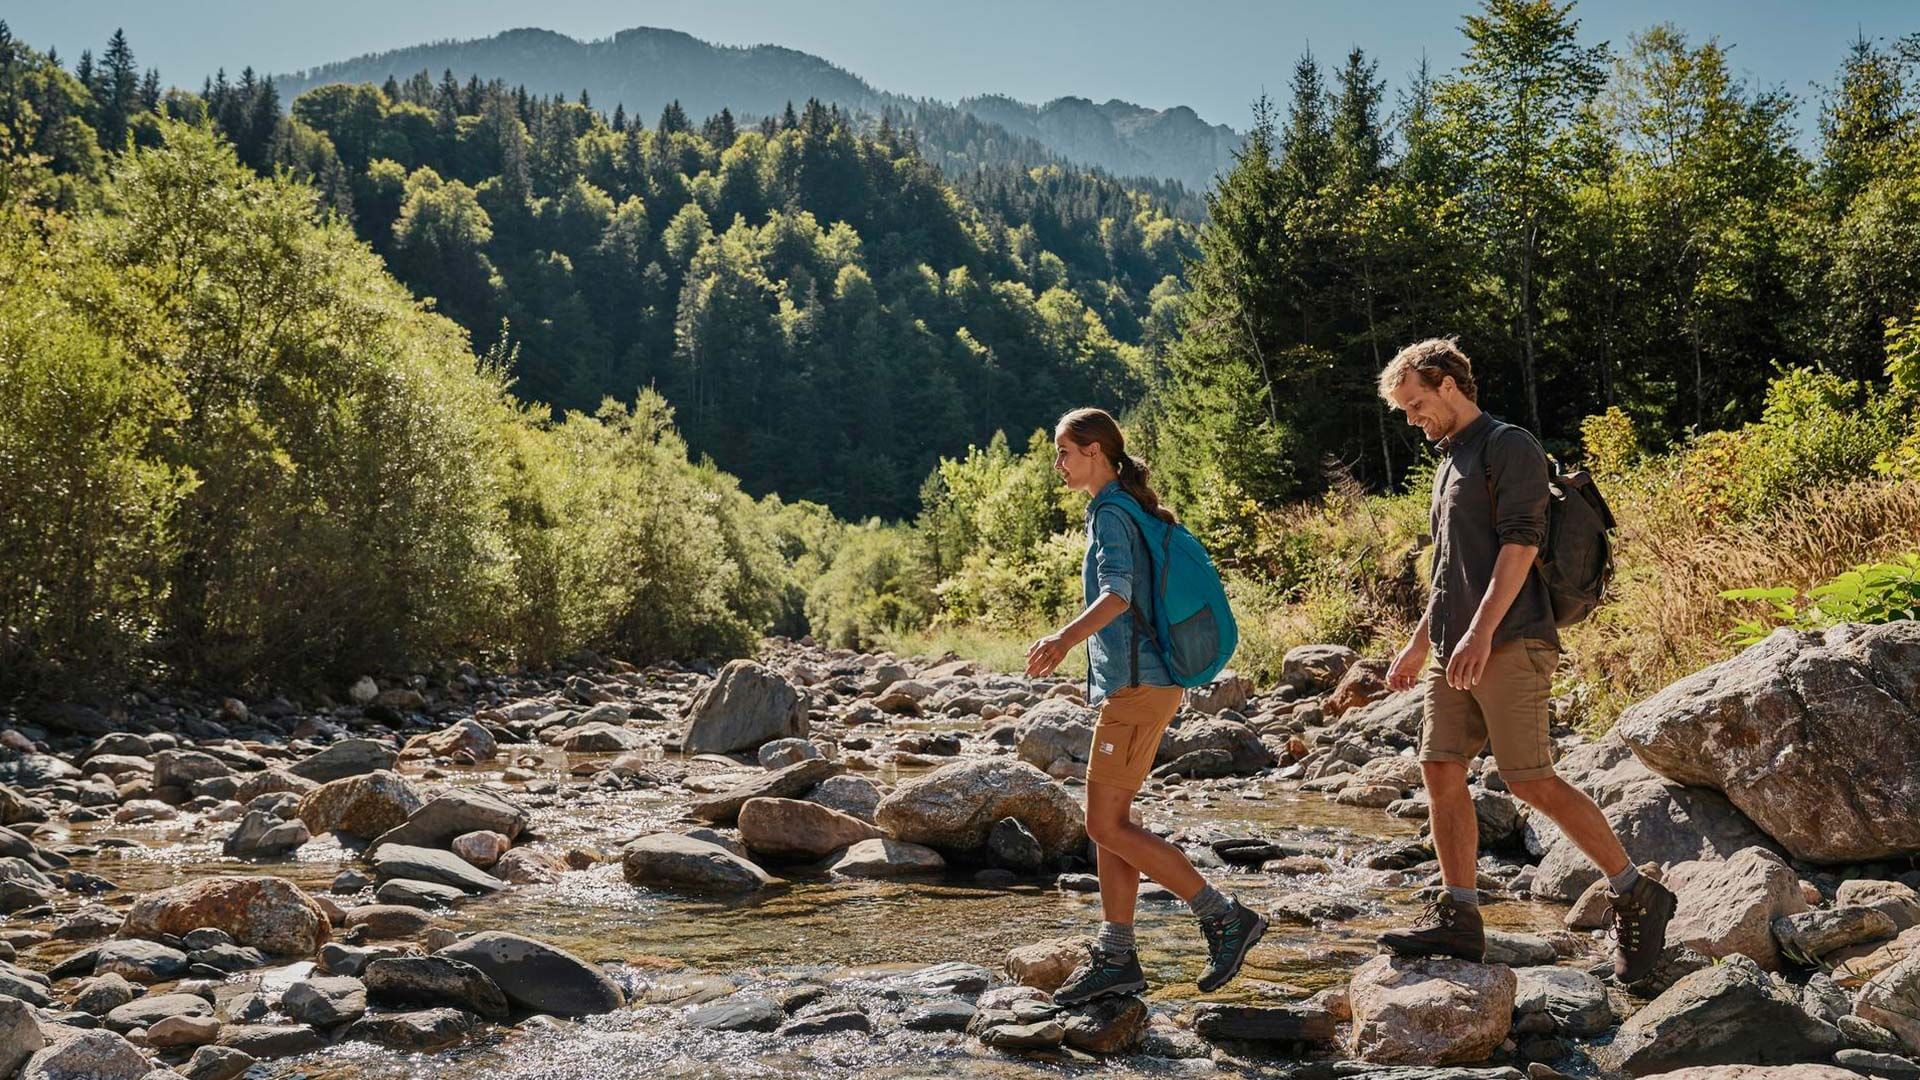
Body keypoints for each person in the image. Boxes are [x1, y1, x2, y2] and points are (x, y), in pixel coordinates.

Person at [1376, 338, 1675, 984]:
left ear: (1448, 384)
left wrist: (1481, 632)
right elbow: (1448, 571)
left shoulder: (1507, 446)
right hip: (1456, 643)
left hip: (1510, 638)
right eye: (1404, 410)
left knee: (1527, 777)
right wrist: (1419, 641)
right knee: (1439, 767)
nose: (1411, 418)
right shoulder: (1448, 460)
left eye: (1416, 404)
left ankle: (1634, 893)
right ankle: (1460, 916)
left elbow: (1521, 543)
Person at [1025, 407, 1267, 1005]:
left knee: (1103, 824)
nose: (1058, 463)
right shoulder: (1125, 506)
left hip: (1139, 686)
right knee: (1114, 827)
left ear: (1096, 452)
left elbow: (1118, 594)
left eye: (1064, 452)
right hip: (1146, 684)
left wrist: (1062, 639)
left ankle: (1224, 916)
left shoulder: (1110, 510)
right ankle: (1116, 956)